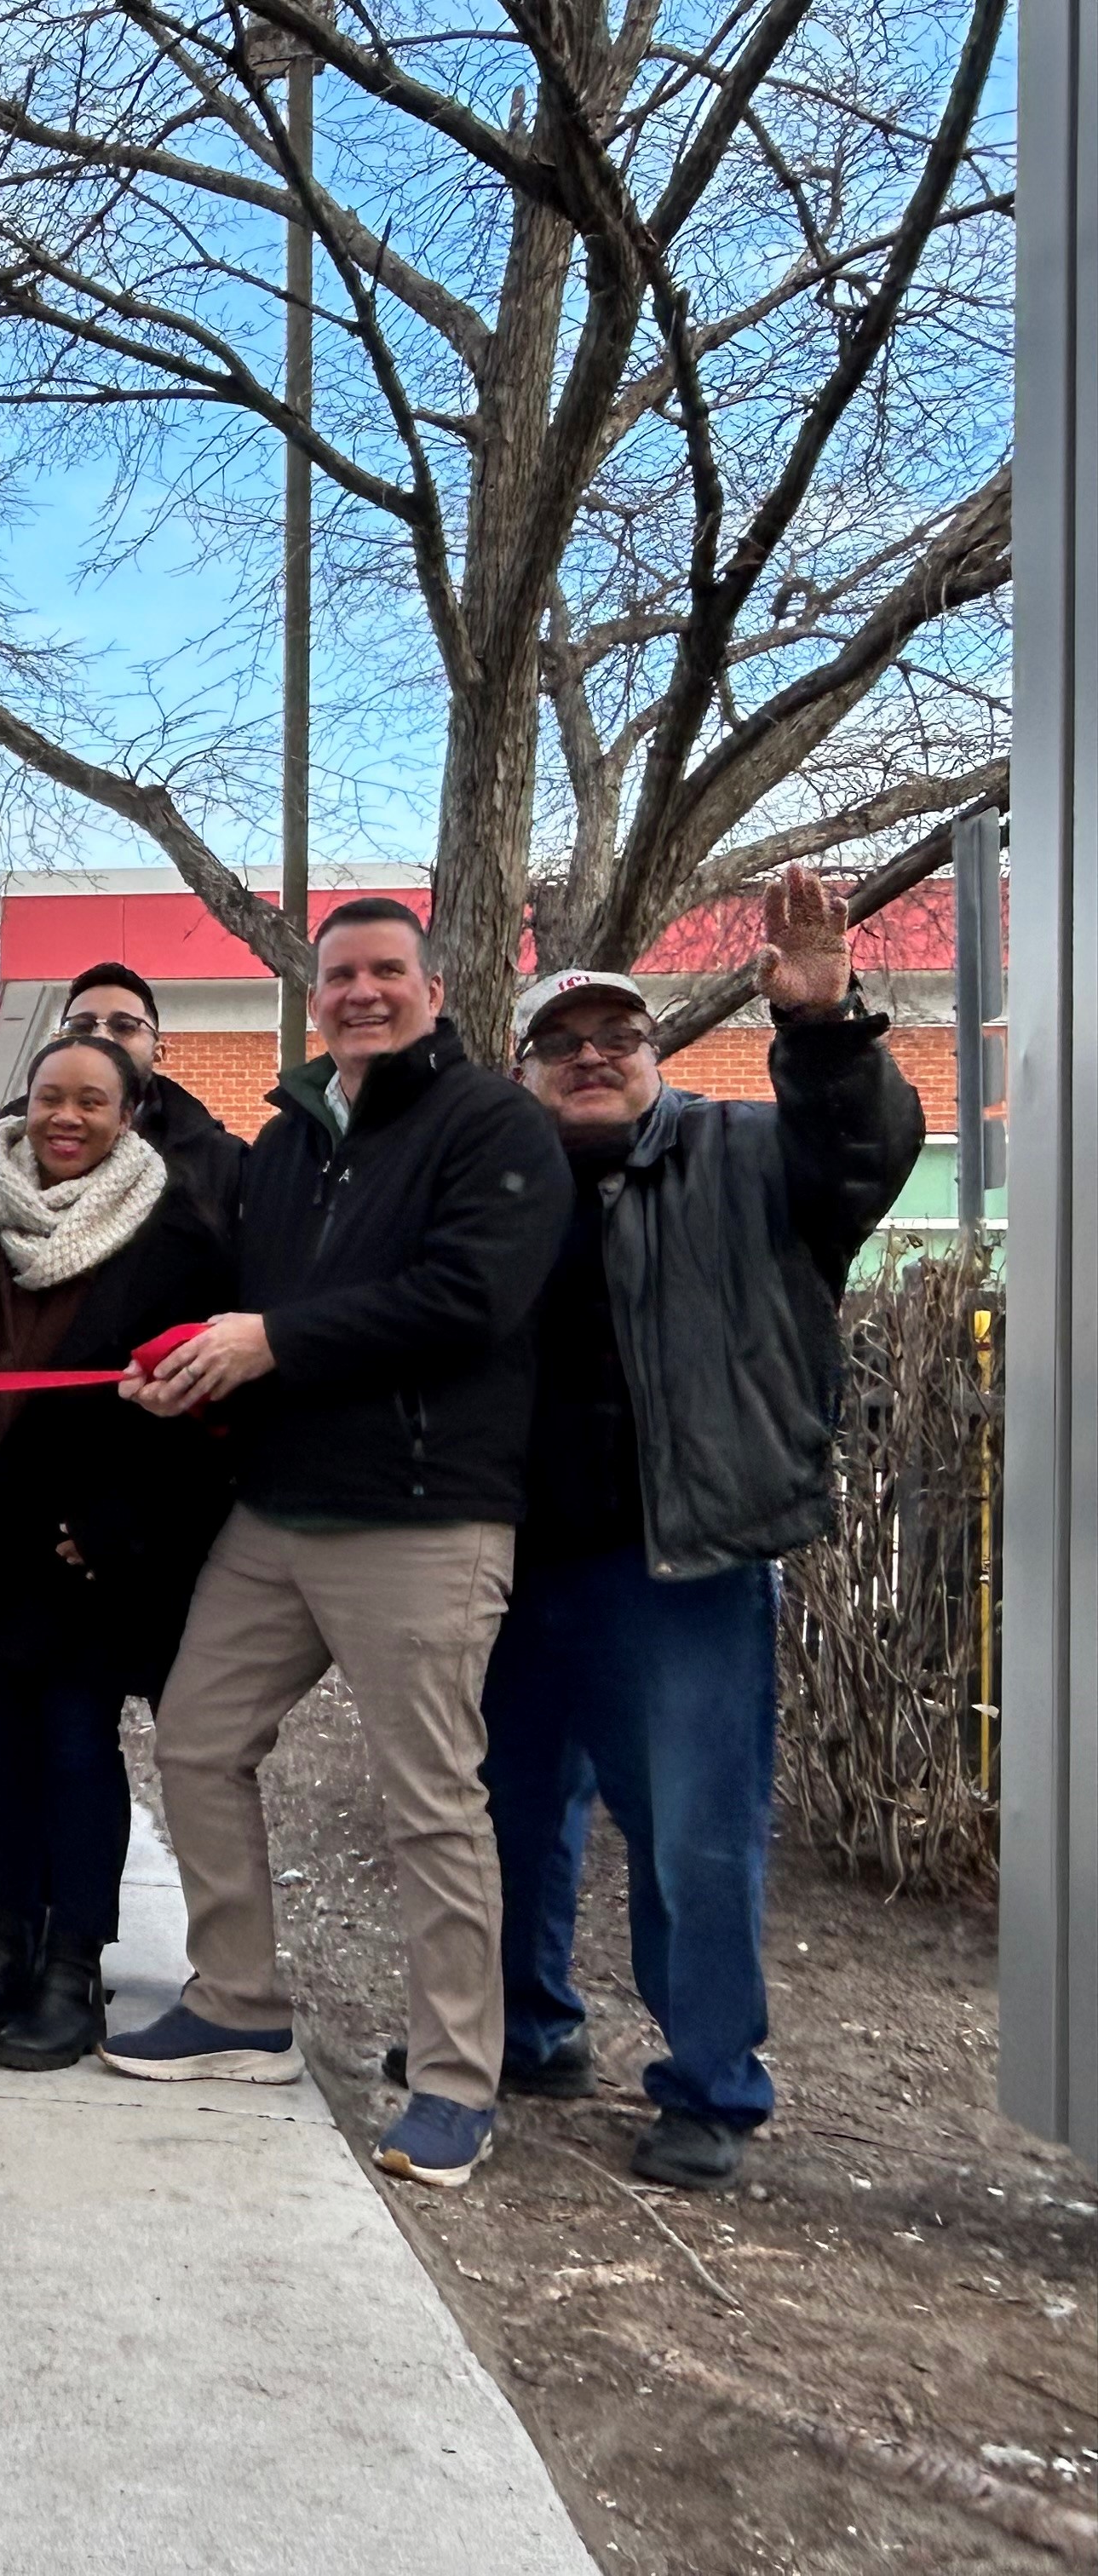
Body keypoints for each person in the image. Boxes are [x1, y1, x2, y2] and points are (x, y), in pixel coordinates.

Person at [112, 896, 572, 2192]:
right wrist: (199, 1366)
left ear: (434, 988)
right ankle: (240, 2000)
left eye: (386, 972)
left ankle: (454, 2079)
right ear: (313, 998)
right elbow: (256, 1310)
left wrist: (271, 1344)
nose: (361, 992)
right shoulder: (292, 1139)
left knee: (429, 1804)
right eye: (340, 976)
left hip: (425, 1518)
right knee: (196, 1740)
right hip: (279, 1510)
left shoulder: (491, 1123)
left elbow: (472, 1297)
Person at [472, 871, 918, 2189]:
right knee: (502, 1818)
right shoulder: (502, 1192)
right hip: (511, 1565)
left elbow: (858, 1156)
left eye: (617, 1038)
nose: (592, 1059)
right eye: (563, 1044)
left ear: (656, 1056)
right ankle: (523, 2029)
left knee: (695, 1836)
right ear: (527, 1069)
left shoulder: (741, 1156)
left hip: (682, 1562)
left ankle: (711, 2085)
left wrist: (826, 1024)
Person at [0, 1032, 235, 2069]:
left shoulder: (176, 1232)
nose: (67, 1119)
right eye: (51, 1097)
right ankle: (5, 1950)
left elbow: (202, 1412)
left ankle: (73, 1970)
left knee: (72, 1748)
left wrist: (120, 1523)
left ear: (130, 1115)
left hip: (84, 1551)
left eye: (92, 1104)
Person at [50, 962, 245, 1226]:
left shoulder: (223, 1164)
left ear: (159, 1050)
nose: (101, 1038)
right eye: (81, 1026)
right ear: (55, 1043)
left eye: (125, 1026)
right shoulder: (2, 1150)